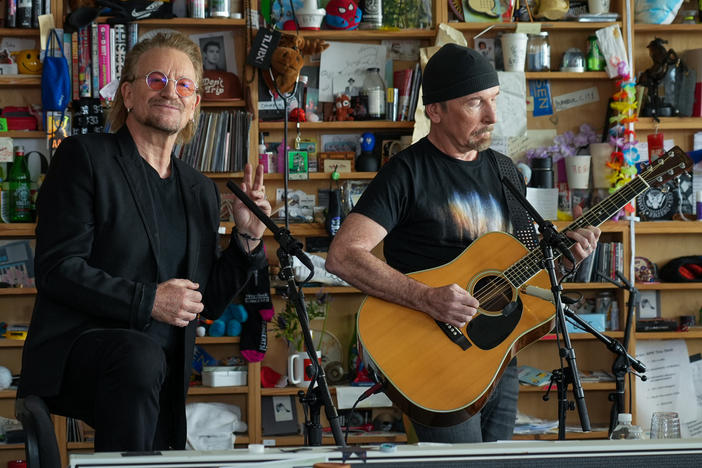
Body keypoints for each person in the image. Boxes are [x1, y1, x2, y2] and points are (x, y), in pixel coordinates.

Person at [325, 43, 600, 443]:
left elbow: (525, 271)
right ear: (434, 111)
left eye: (493, 101)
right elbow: (343, 256)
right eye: (475, 104)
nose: (491, 117)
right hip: (433, 359)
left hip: (497, 354)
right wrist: (427, 297)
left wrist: (565, 260)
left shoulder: (505, 171)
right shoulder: (405, 173)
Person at [18, 32, 271, 452]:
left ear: (194, 107)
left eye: (184, 84)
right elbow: (58, 269)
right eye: (156, 79)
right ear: (129, 94)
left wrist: (247, 237)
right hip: (79, 352)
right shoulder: (84, 158)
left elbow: (203, 301)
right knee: (140, 356)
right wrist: (149, 301)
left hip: (157, 370)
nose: (170, 90)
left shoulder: (200, 190)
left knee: (150, 364)